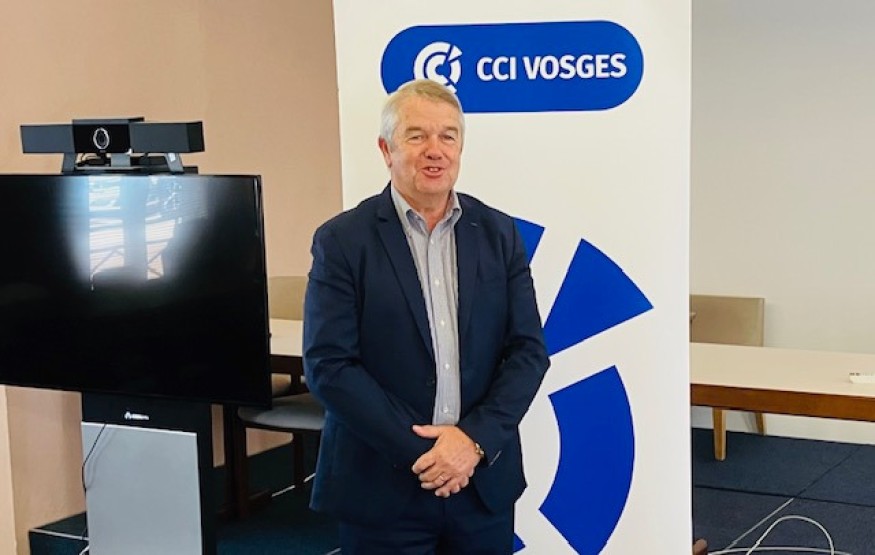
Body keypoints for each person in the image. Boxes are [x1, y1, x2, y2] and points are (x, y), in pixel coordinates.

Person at [303, 78, 550, 554]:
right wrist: (430, 454)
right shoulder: (342, 241)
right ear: (386, 149)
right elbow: (329, 366)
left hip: (480, 483)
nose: (434, 150)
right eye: (416, 136)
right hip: (382, 485)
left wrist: (471, 443)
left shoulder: (499, 234)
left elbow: (528, 352)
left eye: (447, 136)